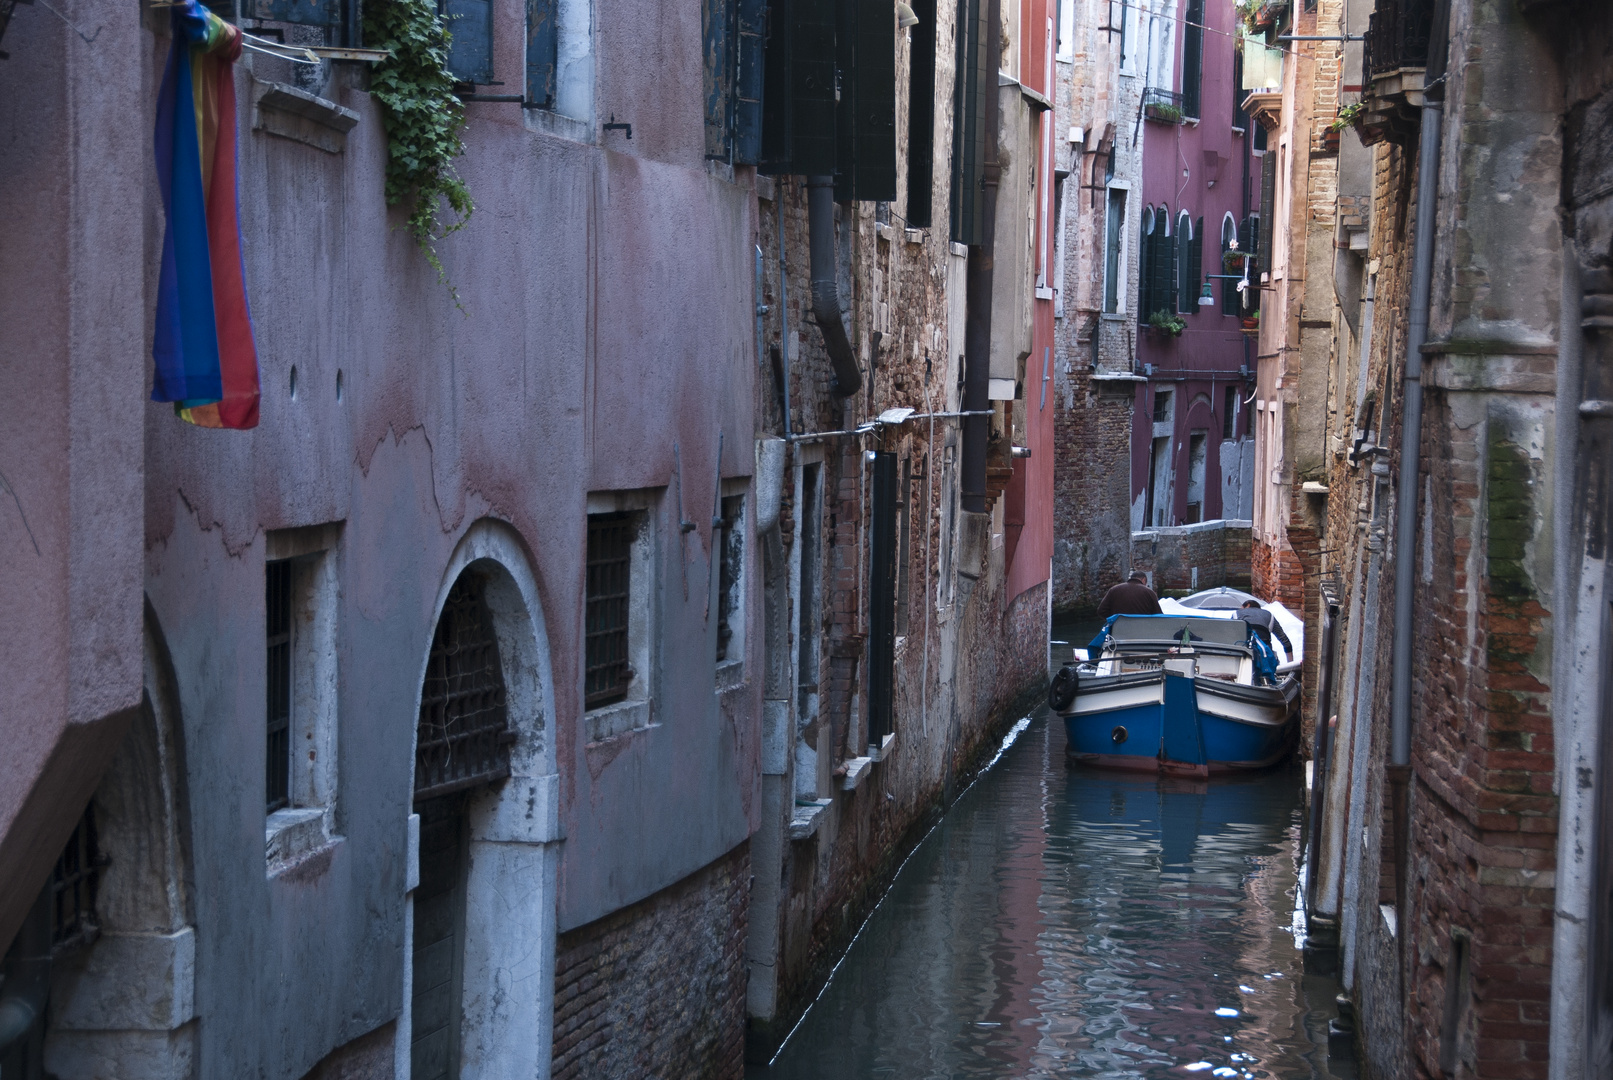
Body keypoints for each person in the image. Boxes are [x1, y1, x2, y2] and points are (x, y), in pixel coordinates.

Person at [1097, 572, 1162, 619]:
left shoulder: (1113, 590)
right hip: (1142, 630)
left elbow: (1101, 611)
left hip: (1118, 630)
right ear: (1144, 580)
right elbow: (1158, 616)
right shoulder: (1149, 592)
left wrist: (1115, 620)